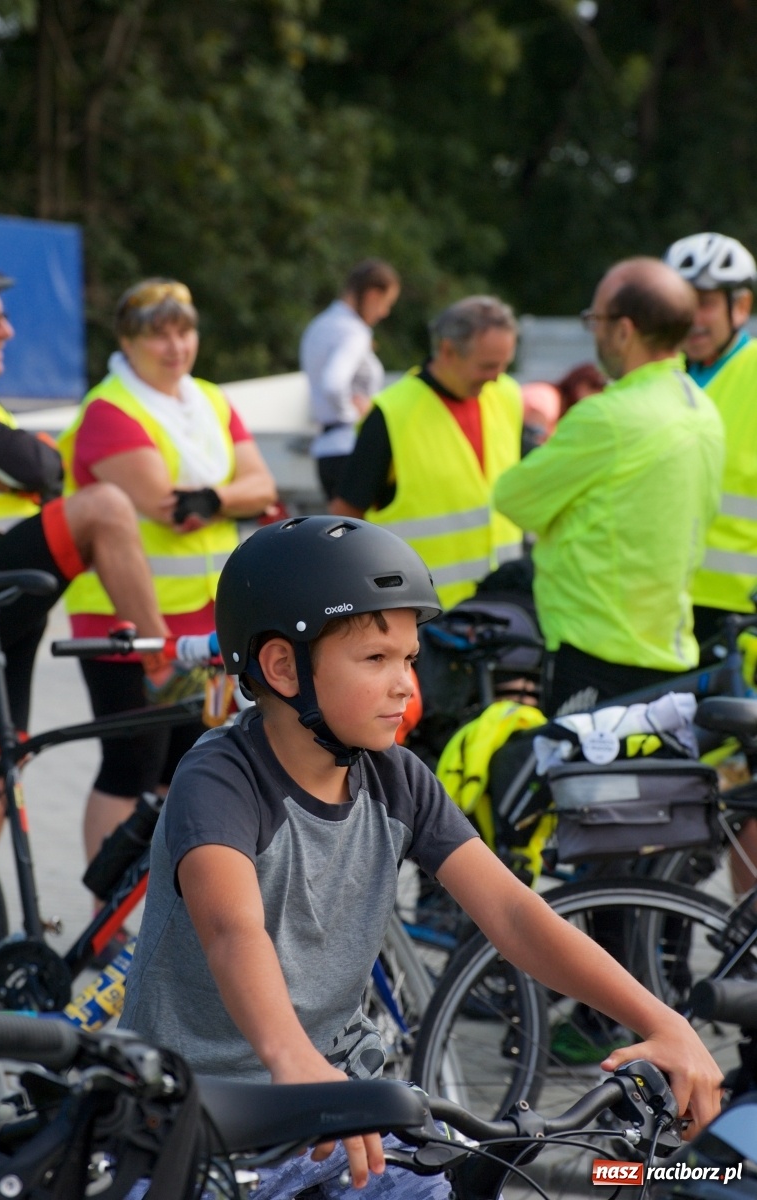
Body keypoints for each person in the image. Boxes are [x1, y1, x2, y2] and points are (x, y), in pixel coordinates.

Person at [120, 516, 721, 1200]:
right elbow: (233, 929)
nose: (407, 684)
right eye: (376, 660)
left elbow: (514, 915)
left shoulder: (396, 778)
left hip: (342, 1114)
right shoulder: (222, 779)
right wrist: (293, 1061)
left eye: (409, 659)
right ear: (283, 667)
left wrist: (662, 1022)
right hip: (195, 1121)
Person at [0, 255, 182, 859]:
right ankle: (162, 664)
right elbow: (39, 468)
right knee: (105, 506)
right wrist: (38, 456)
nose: (6, 331)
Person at [58, 277, 277, 867]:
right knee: (132, 763)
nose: (176, 346)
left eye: (185, 331)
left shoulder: (210, 398)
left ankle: (160, 899)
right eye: (159, 335)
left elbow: (266, 485)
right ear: (127, 343)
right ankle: (105, 913)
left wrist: (211, 495)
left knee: (192, 759)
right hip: (126, 618)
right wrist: (225, 496)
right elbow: (168, 505)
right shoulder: (110, 410)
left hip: (205, 617)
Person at [494, 257, 725, 716]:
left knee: (576, 783)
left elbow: (513, 497)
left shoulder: (608, 417)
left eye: (595, 320)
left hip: (594, 652)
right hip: (670, 649)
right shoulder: (703, 411)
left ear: (624, 330)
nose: (593, 332)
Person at [664, 231, 757, 893]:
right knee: (677, 777)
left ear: (740, 306)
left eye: (706, 301)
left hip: (746, 618)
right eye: (681, 300)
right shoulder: (664, 377)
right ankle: (667, 929)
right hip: (670, 615)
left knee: (750, 785)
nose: (693, 315)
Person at [331, 295, 524, 610]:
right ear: (447, 350)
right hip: (421, 618)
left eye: (505, 364)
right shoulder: (393, 413)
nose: (497, 376)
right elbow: (343, 517)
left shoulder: (507, 396)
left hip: (501, 612)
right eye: (488, 365)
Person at [300, 260, 400, 501]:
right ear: (374, 294)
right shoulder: (354, 332)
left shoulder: (318, 326)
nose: (384, 313)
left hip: (325, 452)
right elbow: (334, 383)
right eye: (385, 303)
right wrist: (355, 418)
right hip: (353, 450)